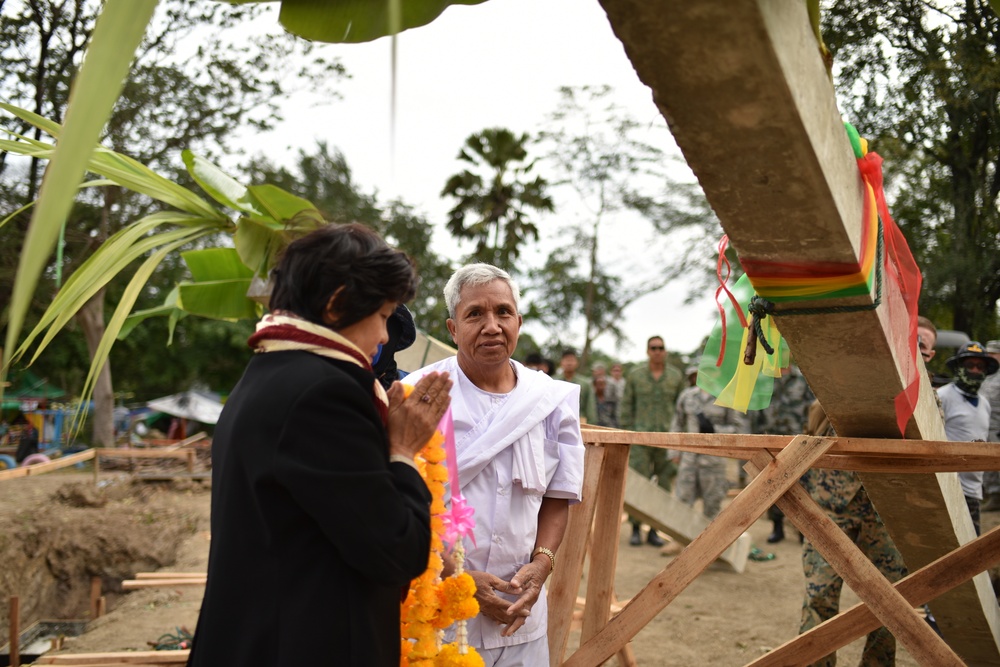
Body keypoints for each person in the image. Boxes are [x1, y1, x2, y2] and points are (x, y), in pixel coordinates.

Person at [187, 224, 453, 667]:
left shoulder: (266, 374)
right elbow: (396, 550)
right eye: (384, 315)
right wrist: (403, 452)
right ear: (336, 304)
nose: (385, 338)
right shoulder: (326, 395)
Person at [406, 263, 584, 666]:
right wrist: (459, 578)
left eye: (503, 312)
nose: (492, 326)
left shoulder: (552, 400)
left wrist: (541, 566)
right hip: (439, 609)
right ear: (453, 329)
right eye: (475, 314)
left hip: (520, 612)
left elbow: (558, 497)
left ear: (518, 322)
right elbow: (403, 502)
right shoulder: (418, 394)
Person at [799, 401, 906, 667]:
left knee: (889, 599)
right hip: (831, 507)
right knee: (819, 593)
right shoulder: (831, 388)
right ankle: (814, 662)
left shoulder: (920, 395)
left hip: (886, 508)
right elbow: (810, 435)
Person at [620, 335, 684, 547]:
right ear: (647, 351)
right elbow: (626, 406)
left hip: (667, 439)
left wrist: (680, 440)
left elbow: (681, 410)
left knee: (663, 485)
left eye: (661, 348)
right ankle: (637, 528)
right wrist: (626, 435)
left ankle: (655, 529)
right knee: (639, 483)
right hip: (640, 439)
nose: (657, 351)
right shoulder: (635, 375)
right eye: (653, 348)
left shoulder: (675, 377)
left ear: (665, 351)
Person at [937, 341, 999, 535]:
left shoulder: (984, 403)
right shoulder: (942, 396)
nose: (974, 370)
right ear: (959, 368)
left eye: (979, 366)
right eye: (969, 365)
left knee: (971, 547)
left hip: (973, 489)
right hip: (948, 488)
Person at [672, 366, 749, 518]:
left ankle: (708, 541)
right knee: (682, 504)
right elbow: (677, 423)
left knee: (712, 506)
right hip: (690, 459)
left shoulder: (725, 397)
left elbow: (738, 428)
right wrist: (674, 452)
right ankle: (684, 541)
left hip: (714, 461)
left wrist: (716, 430)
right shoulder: (687, 396)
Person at [749, 364, 815, 542]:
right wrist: (755, 440)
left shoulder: (803, 378)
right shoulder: (763, 379)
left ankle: (802, 530)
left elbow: (813, 407)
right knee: (772, 484)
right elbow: (755, 411)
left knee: (801, 485)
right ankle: (777, 527)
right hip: (771, 439)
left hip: (798, 440)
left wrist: (811, 434)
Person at [978, 340, 1000, 511]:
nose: (989, 357)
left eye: (993, 354)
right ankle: (993, 496)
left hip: (997, 426)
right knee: (987, 462)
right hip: (984, 425)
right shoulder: (984, 374)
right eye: (988, 353)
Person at [557, 349, 597, 424]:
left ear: (577, 363)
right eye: (566, 360)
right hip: (557, 422)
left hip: (579, 422)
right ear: (561, 362)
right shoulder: (553, 382)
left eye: (572, 360)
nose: (569, 363)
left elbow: (590, 407)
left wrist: (591, 423)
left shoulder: (585, 383)